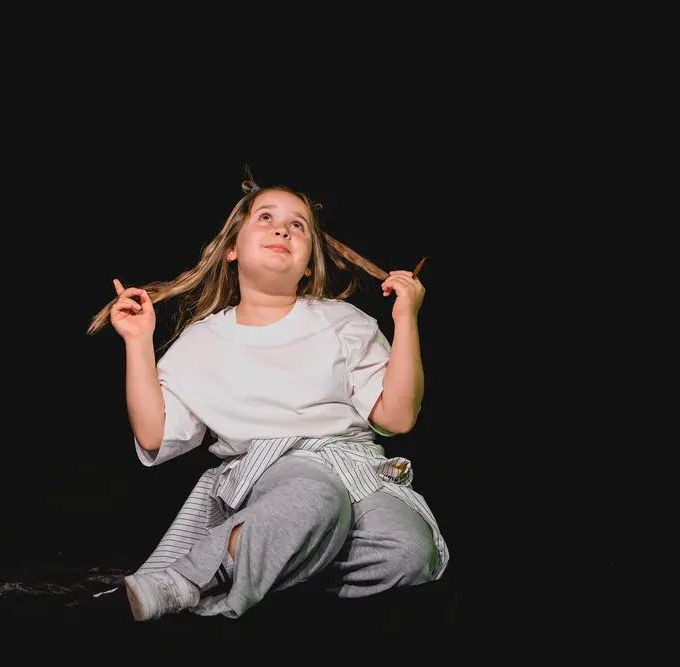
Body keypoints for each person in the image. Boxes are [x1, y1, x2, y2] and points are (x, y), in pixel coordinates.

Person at [87, 177, 449, 621]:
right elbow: (153, 434)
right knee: (314, 495)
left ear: (309, 265)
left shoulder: (344, 321)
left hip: (355, 469)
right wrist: (138, 342)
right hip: (275, 471)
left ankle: (264, 566)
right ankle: (184, 580)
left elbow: (397, 418)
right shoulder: (203, 342)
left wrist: (406, 318)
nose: (282, 230)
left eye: (298, 226)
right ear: (232, 249)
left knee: (409, 554)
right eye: (266, 218)